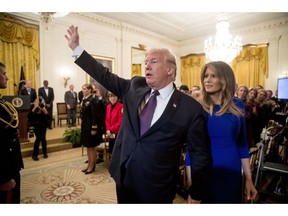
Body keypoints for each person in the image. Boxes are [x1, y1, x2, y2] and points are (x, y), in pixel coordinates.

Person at [65, 25, 212, 203]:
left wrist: (196, 194)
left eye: (154, 62)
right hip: (124, 176)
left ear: (170, 70)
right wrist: (76, 49)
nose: (147, 66)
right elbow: (104, 75)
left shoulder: (190, 108)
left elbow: (200, 155)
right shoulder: (134, 86)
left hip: (157, 187)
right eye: (145, 62)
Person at [187, 61, 257, 203]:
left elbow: (242, 144)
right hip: (205, 171)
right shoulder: (196, 107)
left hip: (232, 170)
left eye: (213, 76)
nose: (207, 79)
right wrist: (191, 183)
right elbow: (191, 149)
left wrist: (248, 179)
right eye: (206, 76)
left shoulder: (238, 104)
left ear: (225, 79)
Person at [0, 62, 24, 203]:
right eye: (4, 74)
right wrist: (3, 178)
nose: (7, 78)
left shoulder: (3, 104)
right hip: (5, 173)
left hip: (11, 166)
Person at [80, 84, 105, 174]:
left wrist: (94, 128)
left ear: (89, 90)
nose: (83, 90)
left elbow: (95, 116)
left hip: (91, 128)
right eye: (82, 89)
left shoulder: (93, 100)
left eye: (84, 89)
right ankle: (89, 164)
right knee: (88, 146)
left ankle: (92, 166)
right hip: (85, 127)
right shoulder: (85, 100)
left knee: (92, 147)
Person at [27, 97, 50, 161]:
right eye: (38, 101)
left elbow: (48, 117)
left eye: (42, 102)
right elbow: (29, 116)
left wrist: (44, 110)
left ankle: (45, 153)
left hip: (43, 125)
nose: (40, 103)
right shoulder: (32, 106)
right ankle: (34, 155)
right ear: (35, 102)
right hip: (35, 125)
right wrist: (34, 108)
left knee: (43, 139)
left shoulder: (44, 107)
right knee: (38, 139)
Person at [105, 91, 123, 155]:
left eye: (114, 96)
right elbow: (107, 120)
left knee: (117, 154)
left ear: (117, 97)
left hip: (118, 133)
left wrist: (111, 130)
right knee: (111, 153)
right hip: (110, 134)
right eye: (110, 96)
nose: (112, 98)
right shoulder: (108, 107)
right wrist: (108, 130)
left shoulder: (121, 106)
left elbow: (120, 122)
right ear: (108, 98)